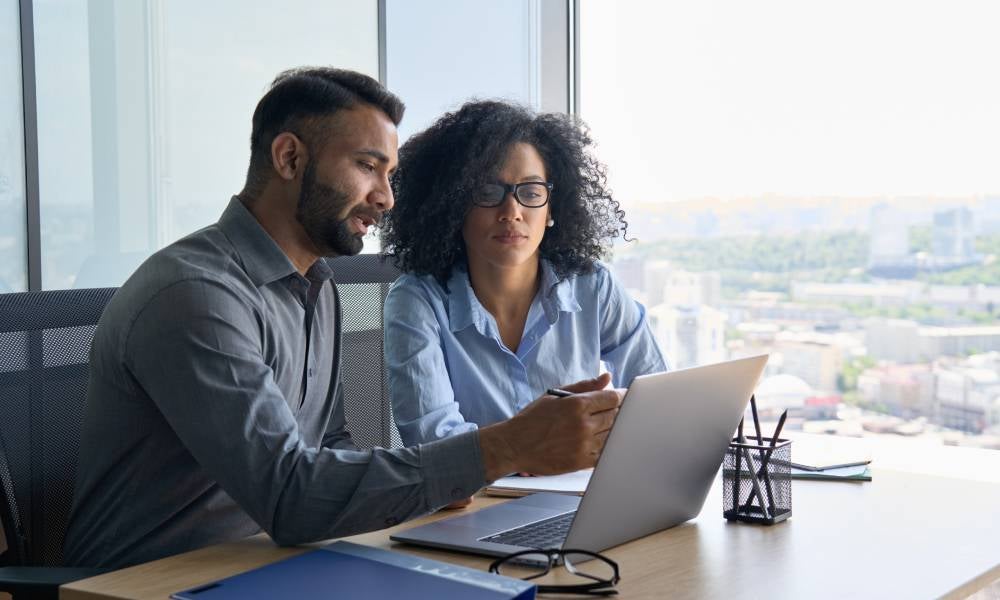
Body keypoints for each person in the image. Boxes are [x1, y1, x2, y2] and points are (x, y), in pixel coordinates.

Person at [63, 68, 622, 569]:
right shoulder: (197, 295)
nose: (386, 198)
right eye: (367, 167)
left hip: (273, 562)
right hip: (153, 581)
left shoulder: (318, 288)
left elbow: (329, 448)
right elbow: (291, 497)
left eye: (390, 173)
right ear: (289, 158)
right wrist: (502, 448)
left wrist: (441, 476)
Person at [380, 100, 666, 454]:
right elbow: (435, 446)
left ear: (550, 210)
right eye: (487, 192)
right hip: (474, 502)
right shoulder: (417, 301)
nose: (511, 212)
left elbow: (656, 398)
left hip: (579, 493)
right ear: (454, 206)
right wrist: (536, 447)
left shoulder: (594, 286)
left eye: (531, 193)